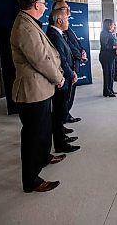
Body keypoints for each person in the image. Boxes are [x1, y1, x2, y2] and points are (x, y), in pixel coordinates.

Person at [10, 0, 64, 193]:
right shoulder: (25, 26)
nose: (45, 6)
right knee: (33, 136)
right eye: (43, 2)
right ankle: (31, 181)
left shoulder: (30, 22)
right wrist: (58, 78)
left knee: (43, 130)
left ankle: (44, 157)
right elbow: (41, 59)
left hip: (41, 89)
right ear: (35, 5)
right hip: (32, 91)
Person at [46, 9, 81, 154]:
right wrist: (70, 73)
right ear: (59, 21)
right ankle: (60, 144)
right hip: (62, 78)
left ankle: (62, 137)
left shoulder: (59, 34)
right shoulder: (54, 35)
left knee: (61, 111)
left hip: (66, 77)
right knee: (59, 112)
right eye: (66, 19)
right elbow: (61, 59)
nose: (68, 21)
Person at [51, 0, 85, 124]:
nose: (68, 9)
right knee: (62, 100)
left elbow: (74, 43)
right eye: (65, 8)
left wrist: (81, 51)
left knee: (69, 97)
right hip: (66, 71)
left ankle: (66, 115)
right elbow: (64, 52)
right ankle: (62, 119)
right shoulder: (58, 30)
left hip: (73, 66)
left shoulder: (67, 26)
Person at [99, 19, 117, 97]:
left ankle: (111, 89)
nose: (113, 26)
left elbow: (113, 43)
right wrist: (115, 47)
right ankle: (107, 92)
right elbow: (105, 46)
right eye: (112, 24)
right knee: (107, 74)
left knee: (111, 74)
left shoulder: (111, 33)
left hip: (112, 56)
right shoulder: (104, 33)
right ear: (108, 25)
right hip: (105, 57)